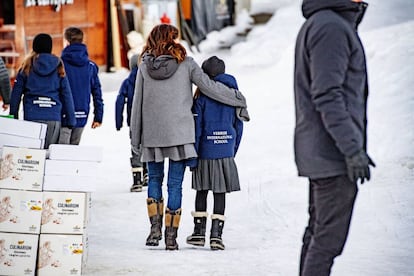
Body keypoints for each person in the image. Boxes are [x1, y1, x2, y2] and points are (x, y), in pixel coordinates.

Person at [130, 24, 249, 251]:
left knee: (154, 180)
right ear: (173, 39)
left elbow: (137, 104)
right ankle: (171, 237)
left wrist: (135, 138)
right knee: (175, 184)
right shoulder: (186, 63)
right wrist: (237, 98)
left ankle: (155, 230)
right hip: (180, 134)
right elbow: (209, 87)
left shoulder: (143, 65)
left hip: (153, 134)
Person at [294, 0, 375, 275]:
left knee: (319, 236)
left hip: (325, 149)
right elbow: (328, 94)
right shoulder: (331, 27)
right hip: (332, 153)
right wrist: (352, 148)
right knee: (326, 242)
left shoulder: (326, 23)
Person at [186, 56, 243, 251]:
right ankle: (216, 236)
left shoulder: (202, 98)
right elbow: (239, 126)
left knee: (201, 191)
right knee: (220, 193)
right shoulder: (234, 95)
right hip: (225, 151)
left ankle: (199, 233)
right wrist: (231, 150)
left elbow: (197, 129)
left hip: (205, 152)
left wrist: (193, 156)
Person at [9, 33, 76, 149]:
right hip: (53, 118)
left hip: (32, 118)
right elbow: (67, 95)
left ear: (34, 47)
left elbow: (16, 95)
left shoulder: (26, 67)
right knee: (48, 157)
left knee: (33, 160)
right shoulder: (59, 66)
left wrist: (13, 116)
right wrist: (70, 120)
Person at [58, 27, 104, 145]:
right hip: (82, 113)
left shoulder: (59, 65)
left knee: (60, 155)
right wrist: (98, 116)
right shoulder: (91, 66)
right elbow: (97, 92)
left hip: (62, 114)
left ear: (66, 42)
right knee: (74, 151)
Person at [115, 54, 148, 192]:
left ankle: (137, 181)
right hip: (149, 121)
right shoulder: (148, 80)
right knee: (148, 146)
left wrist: (119, 121)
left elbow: (119, 102)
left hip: (133, 122)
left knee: (136, 148)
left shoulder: (127, 82)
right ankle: (147, 174)